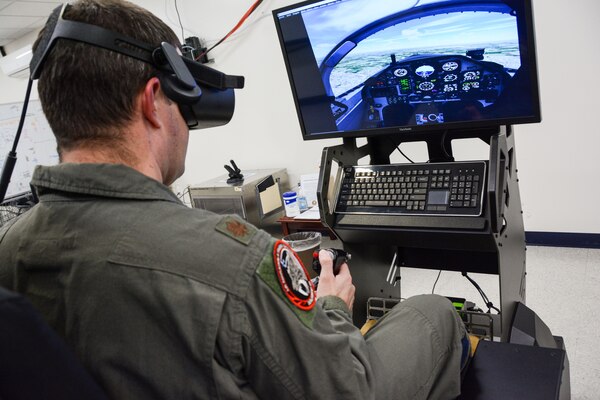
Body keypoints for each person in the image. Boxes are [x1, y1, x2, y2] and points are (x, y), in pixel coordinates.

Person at [0, 0, 468, 398]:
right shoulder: (234, 257)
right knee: (433, 312)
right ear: (152, 100)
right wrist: (332, 309)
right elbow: (341, 386)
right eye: (184, 105)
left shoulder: (11, 248)